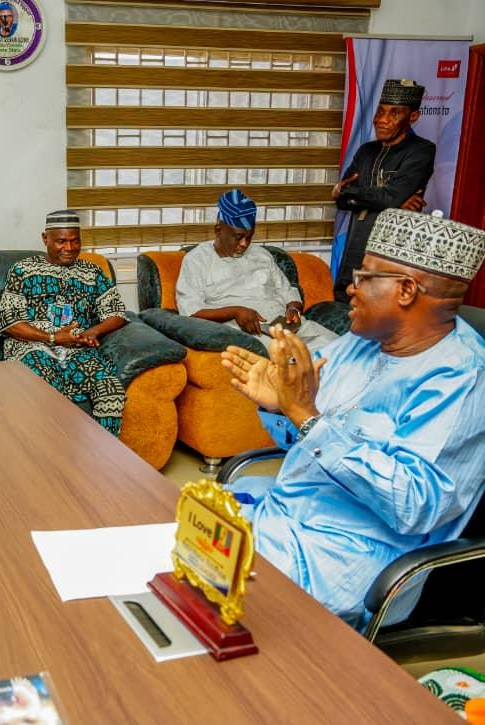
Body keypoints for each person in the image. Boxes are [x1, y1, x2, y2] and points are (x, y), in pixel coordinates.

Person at [221, 208, 485, 629]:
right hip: (284, 513)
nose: (350, 288)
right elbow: (306, 434)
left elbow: (415, 505)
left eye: (364, 278)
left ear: (405, 290)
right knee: (176, 535)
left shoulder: (462, 378)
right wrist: (279, 405)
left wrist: (305, 416)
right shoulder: (359, 345)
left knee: (209, 593)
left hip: (342, 558)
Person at [0, 210, 128, 435]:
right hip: (31, 347)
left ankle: (105, 459)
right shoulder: (22, 270)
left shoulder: (92, 272)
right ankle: (54, 462)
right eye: (61, 241)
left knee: (110, 388)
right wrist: (54, 337)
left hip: (77, 349)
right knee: (46, 387)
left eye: (75, 241)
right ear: (45, 239)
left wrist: (94, 330)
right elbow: (10, 322)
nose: (69, 248)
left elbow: (117, 313)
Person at [176, 189, 339, 350]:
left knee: (338, 347)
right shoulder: (196, 260)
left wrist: (293, 309)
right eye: (238, 237)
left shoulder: (262, 255)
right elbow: (191, 313)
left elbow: (288, 292)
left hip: (284, 325)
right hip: (245, 332)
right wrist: (235, 311)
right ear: (218, 230)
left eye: (249, 237)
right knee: (291, 359)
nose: (244, 244)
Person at [332, 79, 436, 302]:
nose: (382, 120)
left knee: (380, 307)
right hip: (355, 244)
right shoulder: (366, 150)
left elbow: (386, 196)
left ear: (413, 117)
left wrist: (381, 197)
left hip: (391, 248)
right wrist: (393, 201)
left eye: (394, 113)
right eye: (380, 111)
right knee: (344, 301)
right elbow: (341, 199)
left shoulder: (421, 151)